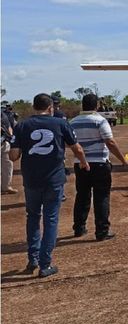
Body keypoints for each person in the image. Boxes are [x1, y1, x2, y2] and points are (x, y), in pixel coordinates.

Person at [9, 93, 90, 278]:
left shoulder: (22, 125)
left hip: (31, 180)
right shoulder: (60, 123)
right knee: (50, 218)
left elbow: (13, 156)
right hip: (53, 179)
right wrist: (84, 162)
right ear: (50, 108)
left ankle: (33, 259)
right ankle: (46, 263)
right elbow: (76, 148)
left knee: (33, 217)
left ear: (33, 107)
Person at [70, 93, 128, 241]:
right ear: (96, 105)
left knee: (82, 195)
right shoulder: (100, 120)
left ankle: (79, 228)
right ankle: (102, 231)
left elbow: (69, 143)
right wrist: (122, 159)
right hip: (99, 163)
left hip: (81, 164)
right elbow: (110, 142)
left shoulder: (73, 122)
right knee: (101, 196)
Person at [1, 110, 16, 194]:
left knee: (8, 165)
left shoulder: (3, 114)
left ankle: (6, 186)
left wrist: (10, 135)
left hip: (4, 142)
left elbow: (9, 125)